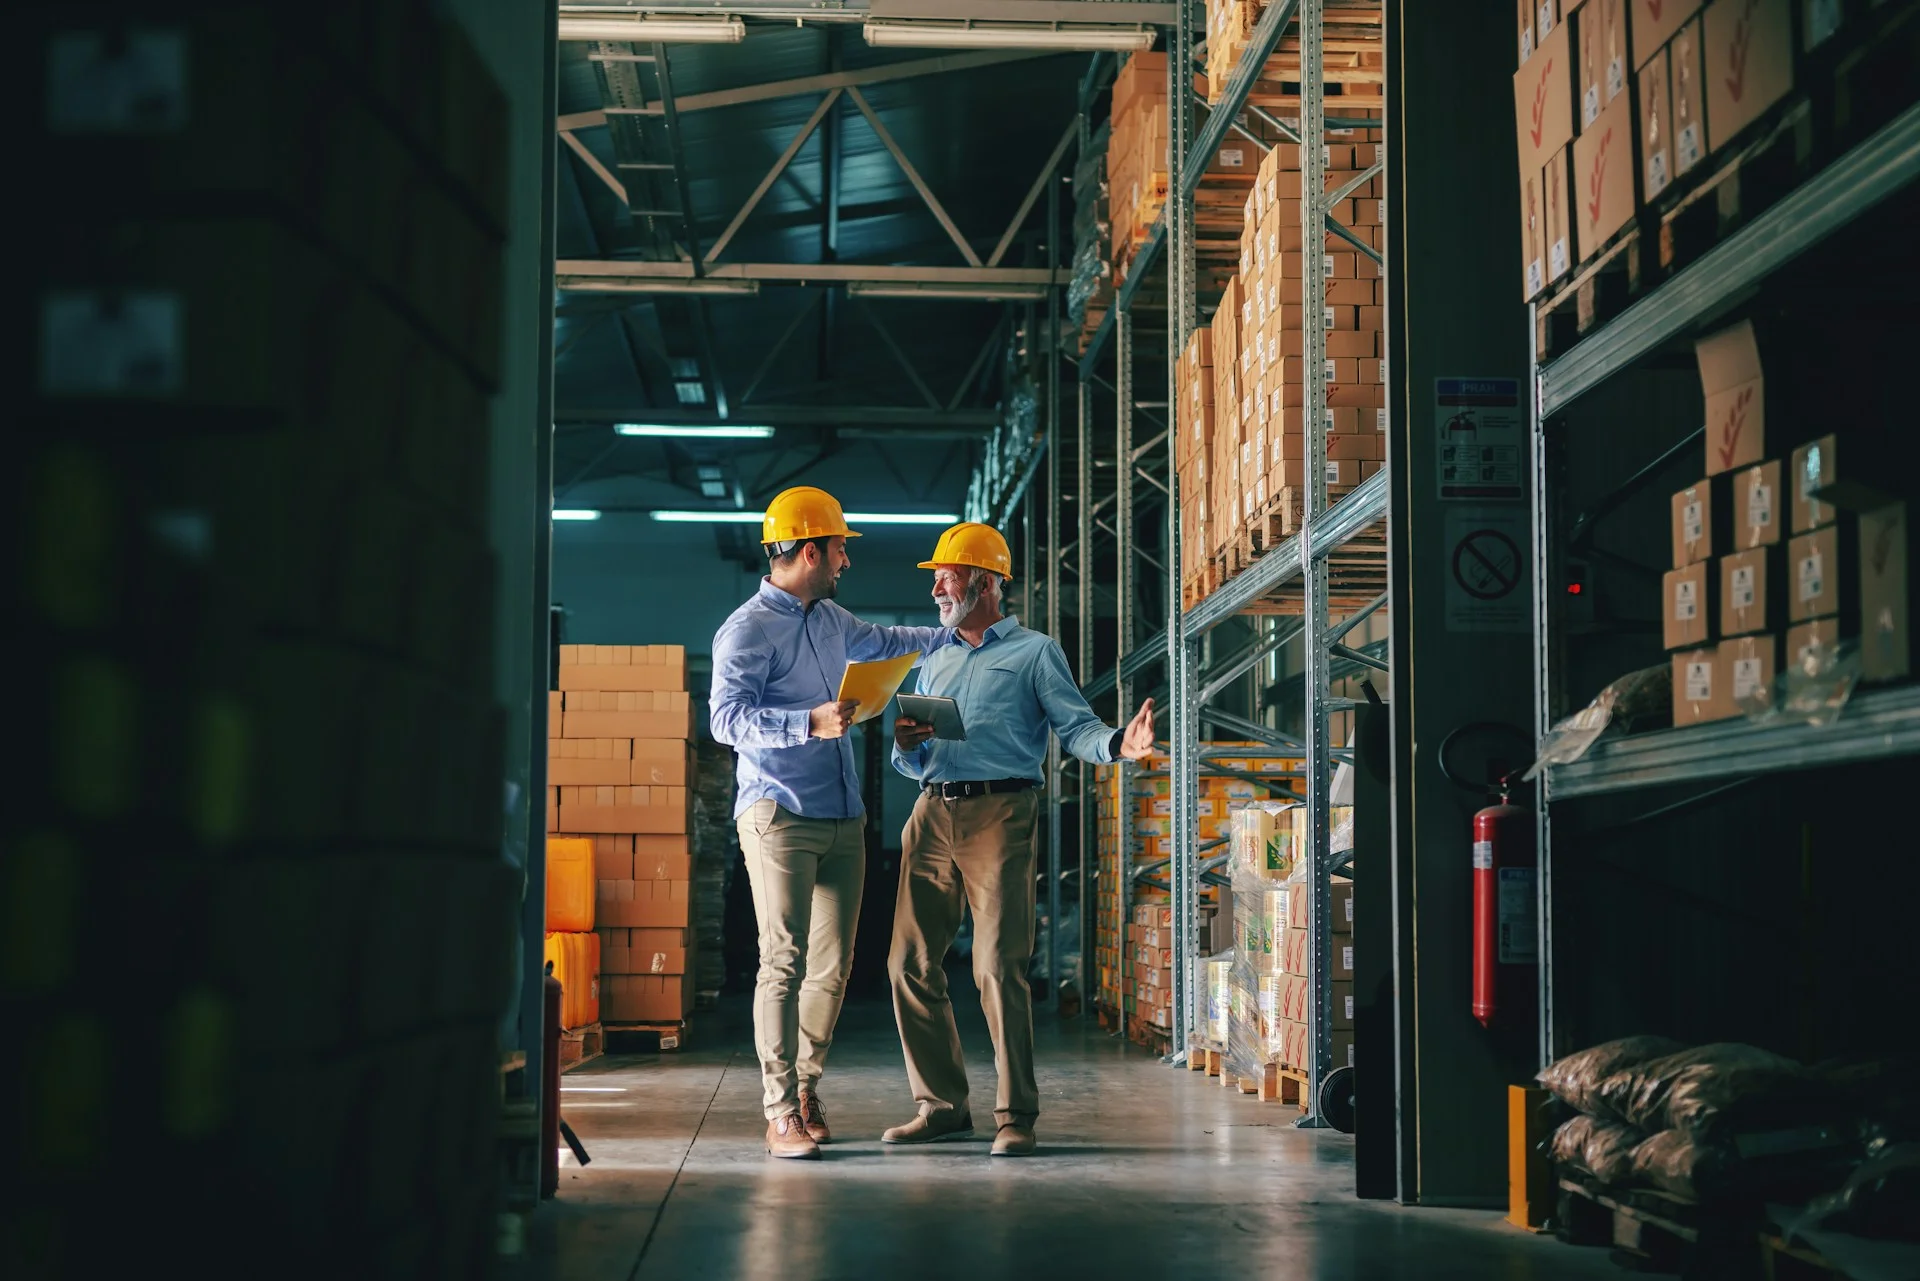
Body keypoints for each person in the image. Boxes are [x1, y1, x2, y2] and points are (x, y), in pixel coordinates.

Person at [883, 522, 1155, 1157]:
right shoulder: (933, 655)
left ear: (986, 582)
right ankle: (942, 1106)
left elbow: (1078, 727)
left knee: (996, 966)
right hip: (930, 814)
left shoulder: (1035, 652)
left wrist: (1120, 745)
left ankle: (1015, 1115)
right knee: (907, 963)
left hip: (1000, 814)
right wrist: (904, 747)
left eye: (946, 575)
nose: (936, 588)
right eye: (936, 578)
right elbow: (913, 754)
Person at [710, 486, 953, 1160]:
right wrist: (806, 722)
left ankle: (807, 1086)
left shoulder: (832, 618)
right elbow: (725, 720)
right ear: (811, 549)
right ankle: (779, 1109)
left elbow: (890, 640)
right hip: (778, 813)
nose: (846, 560)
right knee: (780, 960)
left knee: (834, 967)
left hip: (843, 815)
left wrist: (957, 628)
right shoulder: (746, 629)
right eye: (841, 547)